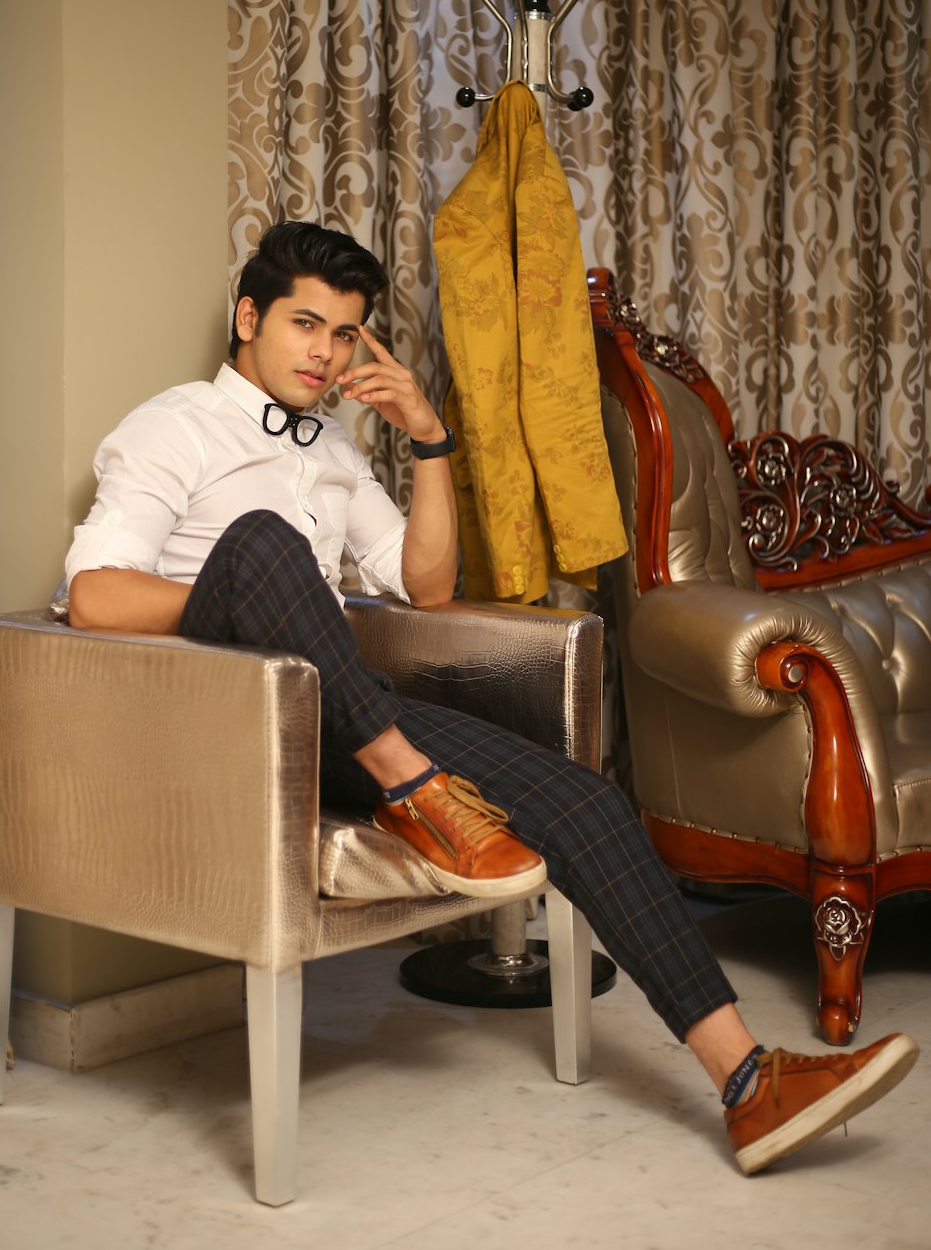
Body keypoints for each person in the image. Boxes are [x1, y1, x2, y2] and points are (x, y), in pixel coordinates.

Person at [66, 220, 918, 1177]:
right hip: (223, 718)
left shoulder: (340, 453)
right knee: (266, 544)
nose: (325, 351)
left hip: (341, 714)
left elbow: (426, 587)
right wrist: (271, 600)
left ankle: (747, 1082)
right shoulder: (173, 425)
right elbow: (94, 595)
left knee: (588, 803)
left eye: (345, 334)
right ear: (247, 317)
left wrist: (429, 440)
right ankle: (417, 788)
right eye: (306, 324)